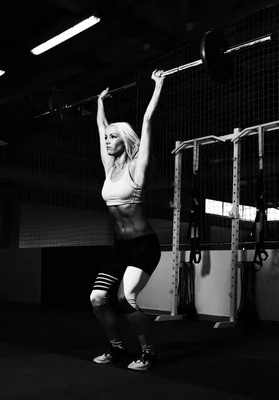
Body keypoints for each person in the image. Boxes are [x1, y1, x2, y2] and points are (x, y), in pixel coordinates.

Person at [89, 69, 165, 371]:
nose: (107, 140)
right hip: (120, 247)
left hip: (144, 246)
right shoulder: (110, 170)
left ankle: (148, 352)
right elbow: (99, 127)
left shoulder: (137, 168)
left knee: (125, 298)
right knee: (97, 298)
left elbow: (147, 122)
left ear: (125, 140)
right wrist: (99, 103)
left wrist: (157, 86)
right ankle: (117, 348)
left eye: (113, 137)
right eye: (106, 138)